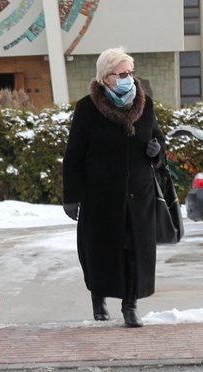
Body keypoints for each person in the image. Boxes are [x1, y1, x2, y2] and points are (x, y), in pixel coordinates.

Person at [63, 46, 165, 328]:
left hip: (138, 194)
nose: (128, 78)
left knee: (134, 251)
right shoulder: (87, 108)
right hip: (100, 196)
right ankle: (99, 297)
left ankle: (130, 305)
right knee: (102, 251)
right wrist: (72, 196)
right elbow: (74, 155)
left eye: (131, 73)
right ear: (106, 77)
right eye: (122, 73)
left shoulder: (145, 104)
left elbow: (157, 139)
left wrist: (157, 151)